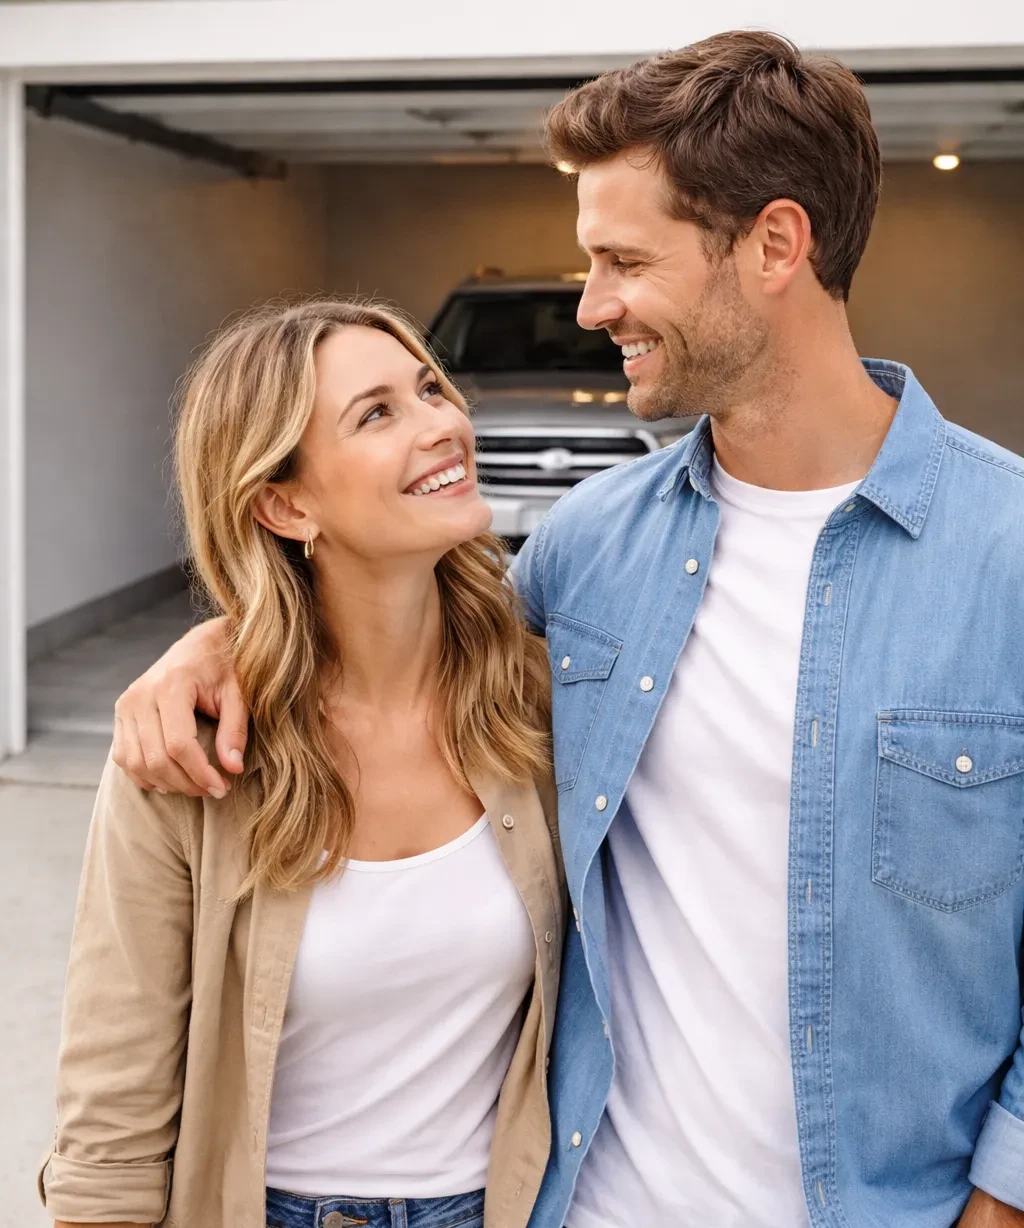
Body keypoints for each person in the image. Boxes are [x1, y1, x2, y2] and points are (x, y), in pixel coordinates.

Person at [106, 30, 1024, 1228]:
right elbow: (387, 631)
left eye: (623, 261)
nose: (592, 305)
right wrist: (220, 639)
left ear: (775, 245)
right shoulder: (590, 547)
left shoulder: (1004, 552)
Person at [38, 300, 565, 1228]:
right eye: (378, 413)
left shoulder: (540, 703)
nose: (444, 423)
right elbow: (112, 1107)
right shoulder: (193, 749)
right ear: (286, 504)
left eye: (431, 388)